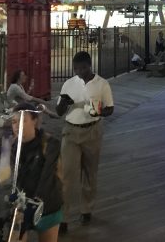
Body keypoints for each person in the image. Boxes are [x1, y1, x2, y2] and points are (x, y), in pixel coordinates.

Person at [0, 103, 63, 242]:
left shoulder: (50, 144)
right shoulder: (8, 145)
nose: (17, 126)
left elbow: (47, 177)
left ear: (35, 120)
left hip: (47, 204)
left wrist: (34, 203)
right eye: (14, 121)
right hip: (20, 206)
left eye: (23, 120)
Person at [56, 51, 114, 235]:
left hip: (92, 131)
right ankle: (63, 218)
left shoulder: (102, 84)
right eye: (76, 69)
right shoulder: (69, 84)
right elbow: (58, 111)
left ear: (90, 66)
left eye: (83, 68)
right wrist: (64, 103)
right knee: (66, 175)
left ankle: (86, 209)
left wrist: (100, 113)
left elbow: (110, 108)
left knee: (90, 172)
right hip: (71, 132)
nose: (79, 72)